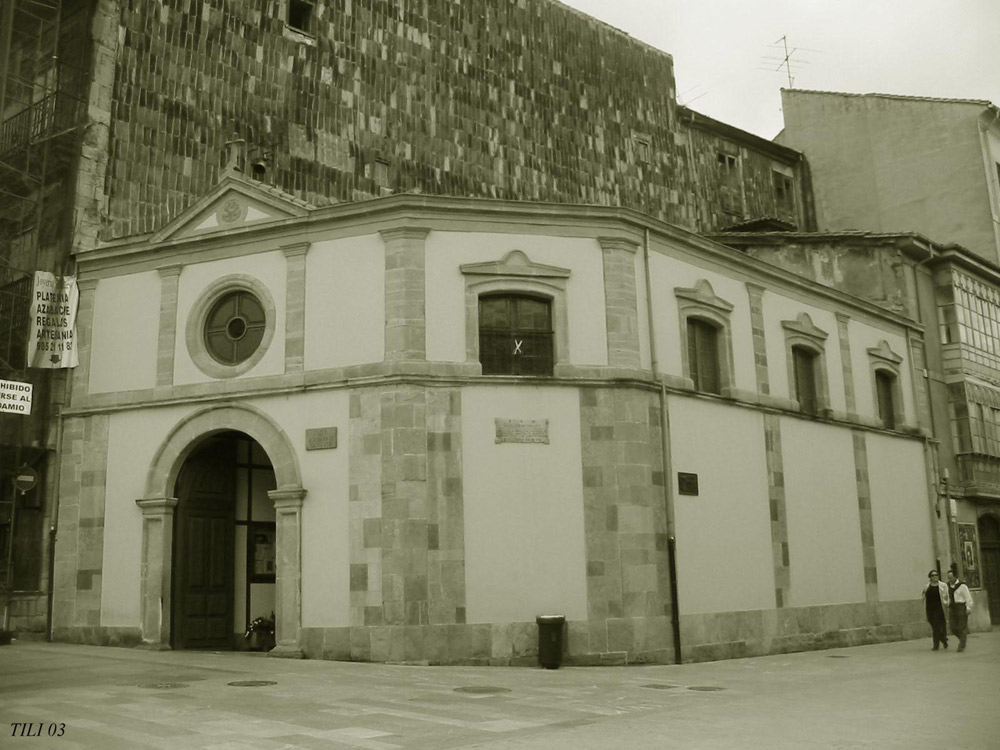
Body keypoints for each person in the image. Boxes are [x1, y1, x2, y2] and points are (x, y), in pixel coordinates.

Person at [947, 569, 974, 652]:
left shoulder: (962, 586)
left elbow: (968, 598)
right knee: (953, 627)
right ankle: (963, 639)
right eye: (948, 578)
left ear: (955, 577)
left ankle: (962, 644)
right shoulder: (947, 586)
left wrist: (968, 608)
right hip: (952, 608)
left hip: (961, 607)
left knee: (962, 626)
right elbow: (947, 597)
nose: (949, 579)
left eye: (951, 577)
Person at [921, 569, 949, 650]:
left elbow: (946, 595)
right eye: (933, 575)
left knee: (936, 626)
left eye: (936, 575)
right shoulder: (927, 586)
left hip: (939, 608)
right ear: (930, 577)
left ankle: (936, 645)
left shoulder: (943, 585)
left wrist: (946, 603)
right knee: (933, 626)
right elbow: (924, 595)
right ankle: (943, 639)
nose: (935, 577)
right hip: (930, 608)